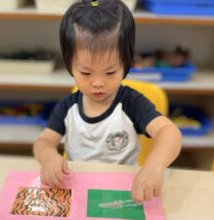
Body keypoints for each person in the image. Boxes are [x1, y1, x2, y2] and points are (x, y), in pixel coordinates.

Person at [33, 0, 182, 203]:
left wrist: (154, 167)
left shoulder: (131, 103)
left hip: (123, 191)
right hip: (77, 189)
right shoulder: (68, 107)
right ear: (70, 66)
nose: (98, 83)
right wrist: (49, 156)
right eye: (85, 72)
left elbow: (169, 133)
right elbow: (44, 141)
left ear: (126, 64)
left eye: (110, 72)